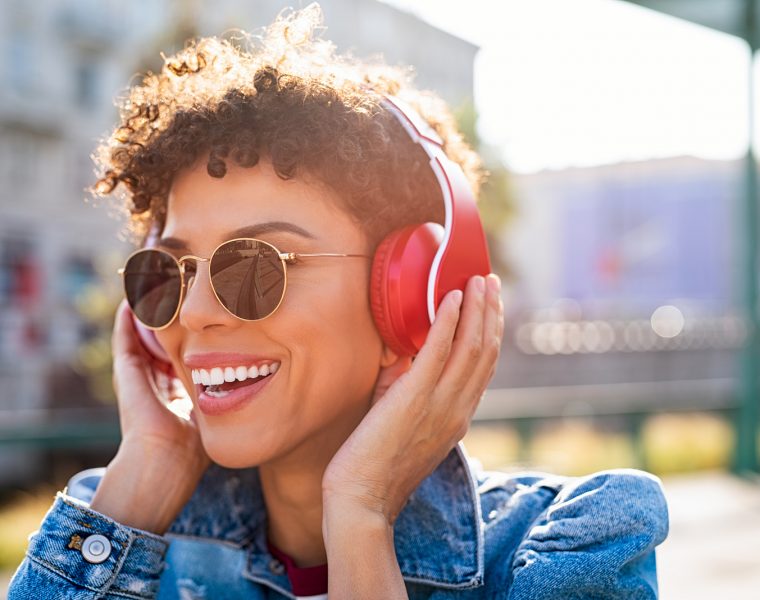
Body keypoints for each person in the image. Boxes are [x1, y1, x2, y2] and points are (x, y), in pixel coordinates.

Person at [8, 5, 669, 599]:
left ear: (410, 293)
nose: (196, 312)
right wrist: (145, 474)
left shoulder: (564, 551)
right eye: (170, 271)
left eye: (254, 266)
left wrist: (359, 519)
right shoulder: (116, 526)